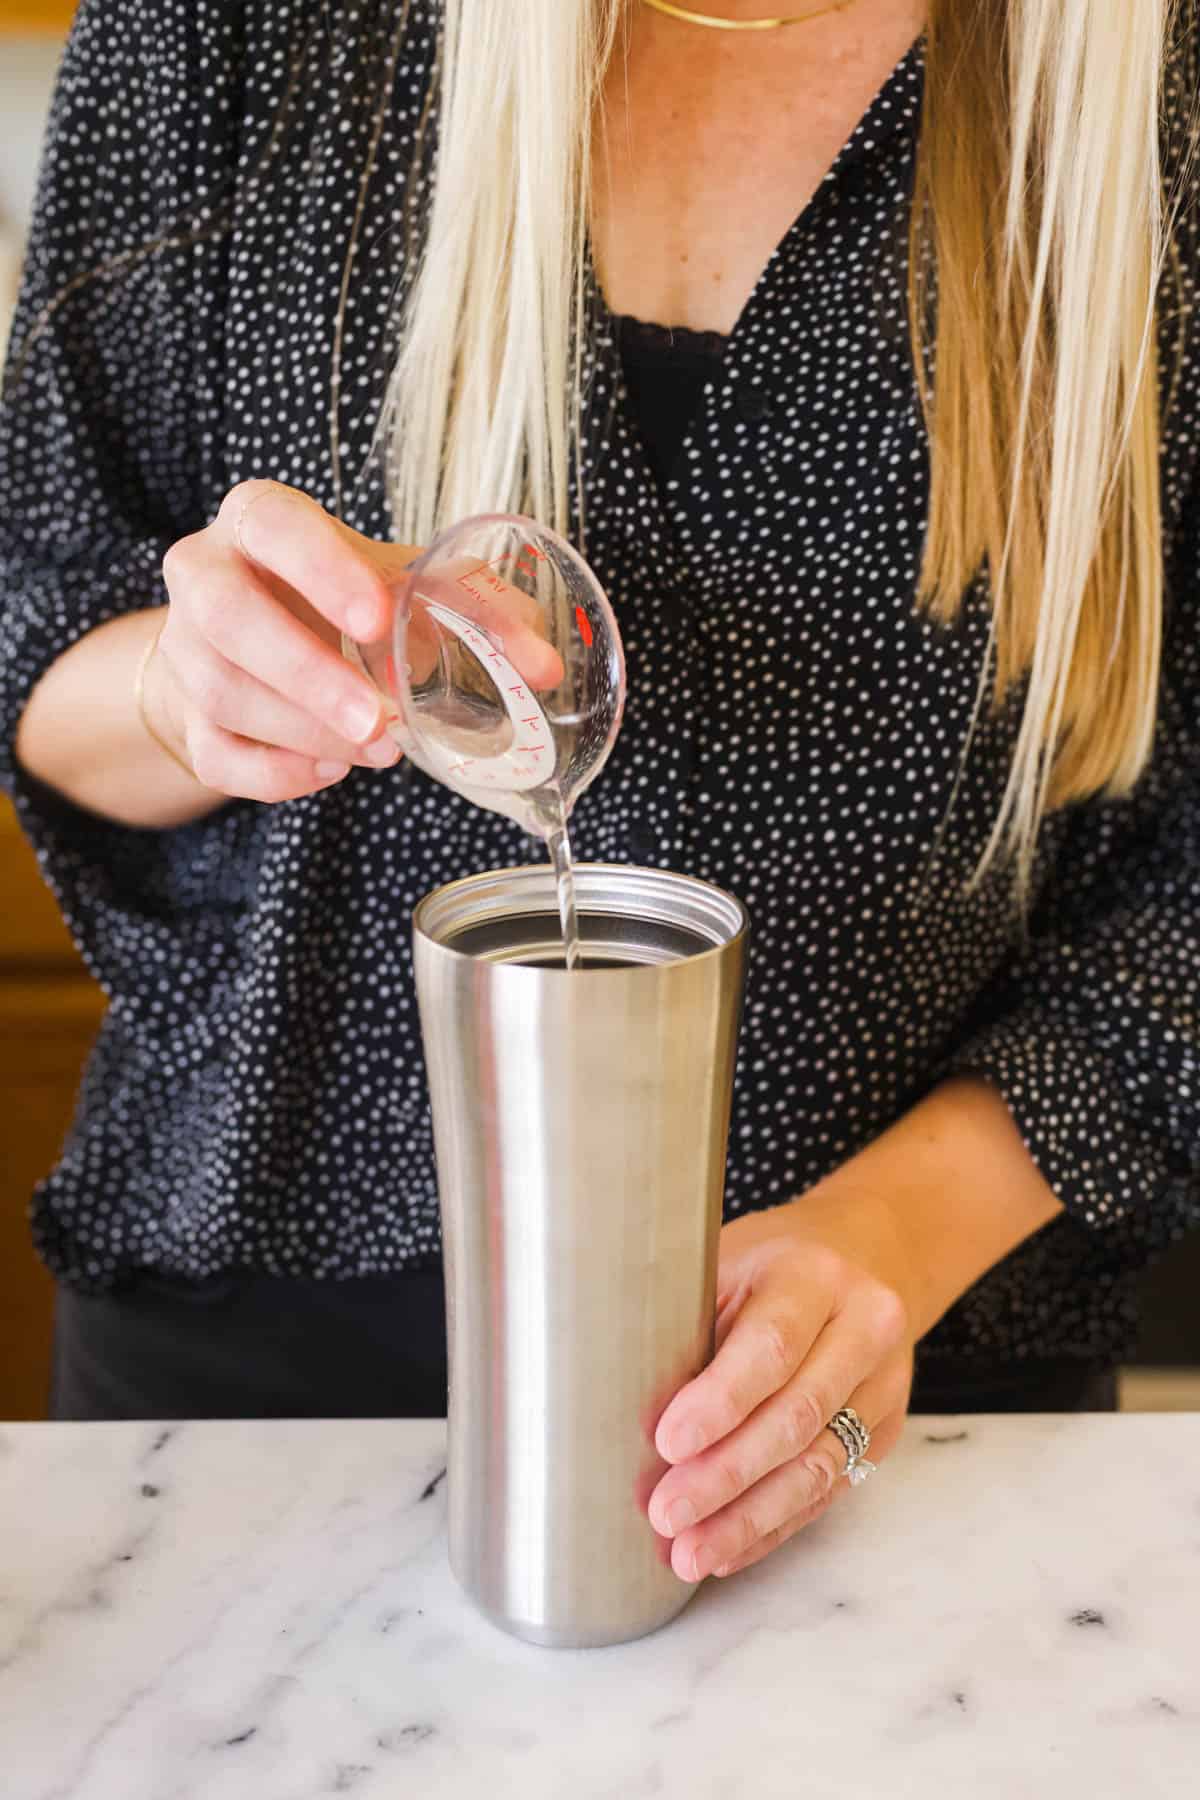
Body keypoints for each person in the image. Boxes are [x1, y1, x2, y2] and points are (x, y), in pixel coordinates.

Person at [1, 0, 1196, 1587]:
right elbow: (39, 640)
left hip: (876, 1411)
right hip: (248, 1403)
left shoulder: (1151, 105)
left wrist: (892, 1237)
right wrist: (183, 688)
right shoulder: (237, 32)